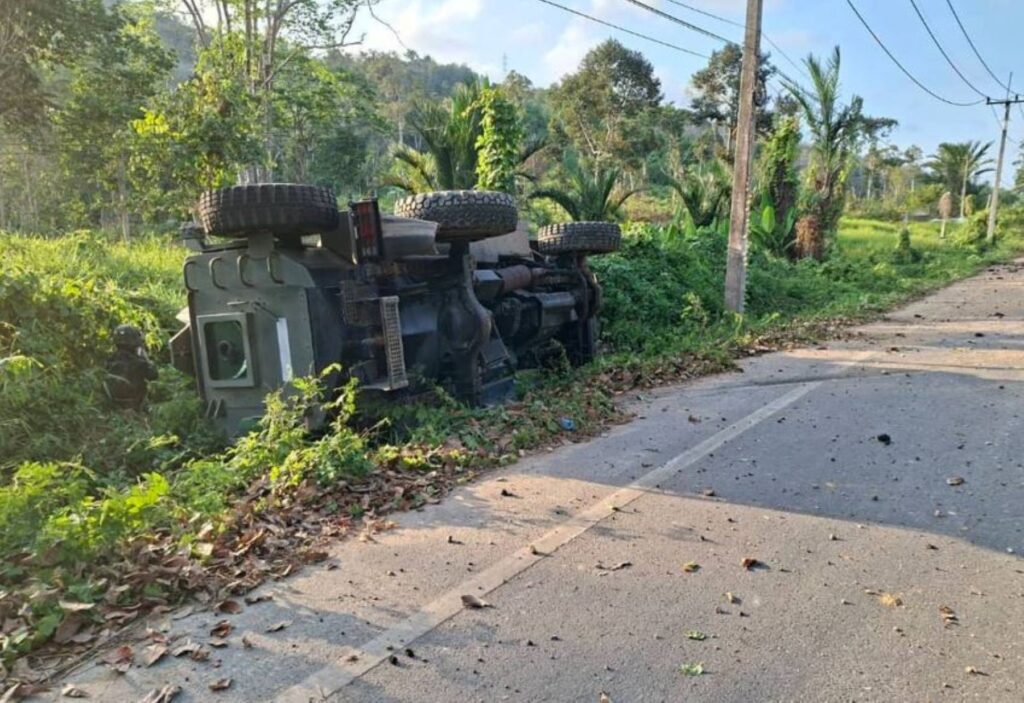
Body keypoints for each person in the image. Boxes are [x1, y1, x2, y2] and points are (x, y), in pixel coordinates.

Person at [104, 324, 158, 410]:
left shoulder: (109, 360)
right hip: (134, 407)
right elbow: (154, 375)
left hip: (112, 407)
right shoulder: (139, 363)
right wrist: (144, 356)